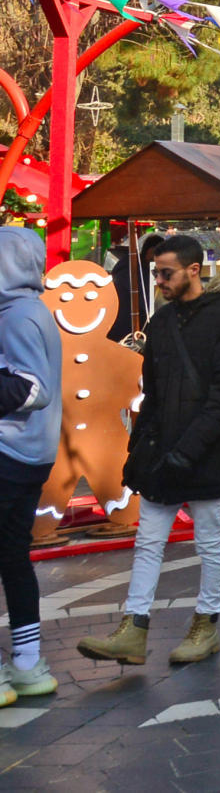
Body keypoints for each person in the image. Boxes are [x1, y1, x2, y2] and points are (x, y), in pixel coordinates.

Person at [78, 234, 220, 669]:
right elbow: (152, 392)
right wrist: (140, 448)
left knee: (209, 541)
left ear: (194, 270)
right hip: (162, 451)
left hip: (207, 451)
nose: (159, 281)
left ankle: (205, 624)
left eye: (166, 273)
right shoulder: (162, 321)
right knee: (148, 541)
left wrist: (186, 450)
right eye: (157, 273)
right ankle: (133, 628)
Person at [0, 229, 62, 701]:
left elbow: (32, 389)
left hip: (8, 451)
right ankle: (26, 663)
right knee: (12, 557)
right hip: (29, 454)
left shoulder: (14, 316)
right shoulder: (32, 310)